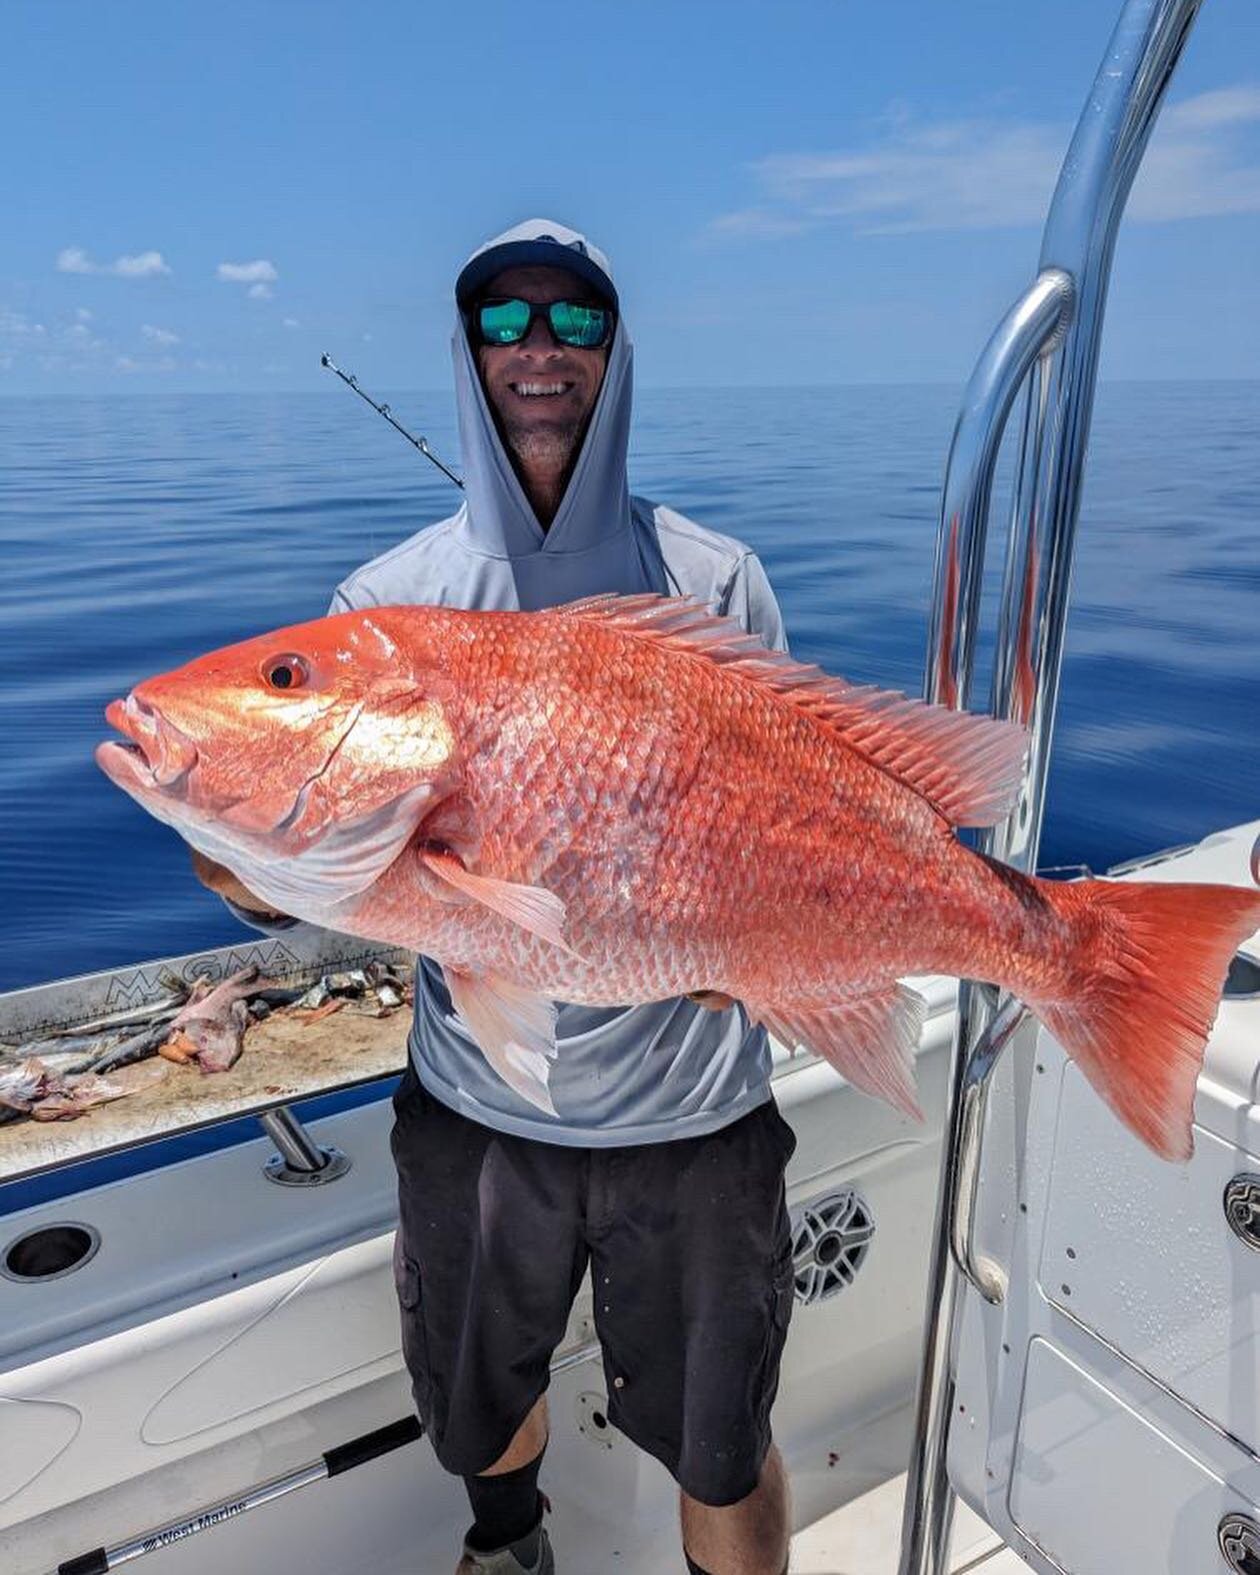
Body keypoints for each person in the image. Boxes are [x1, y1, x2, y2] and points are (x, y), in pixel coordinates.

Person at [197, 219, 796, 1575]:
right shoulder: (388, 604)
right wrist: (247, 878)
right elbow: (333, 880)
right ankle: (509, 1545)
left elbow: (792, 810)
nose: (540, 349)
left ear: (616, 352)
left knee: (724, 1436)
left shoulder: (714, 582)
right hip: (479, 1114)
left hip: (696, 1120)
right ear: (467, 355)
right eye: (506, 322)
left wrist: (743, 942)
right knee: (482, 1406)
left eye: (574, 322)